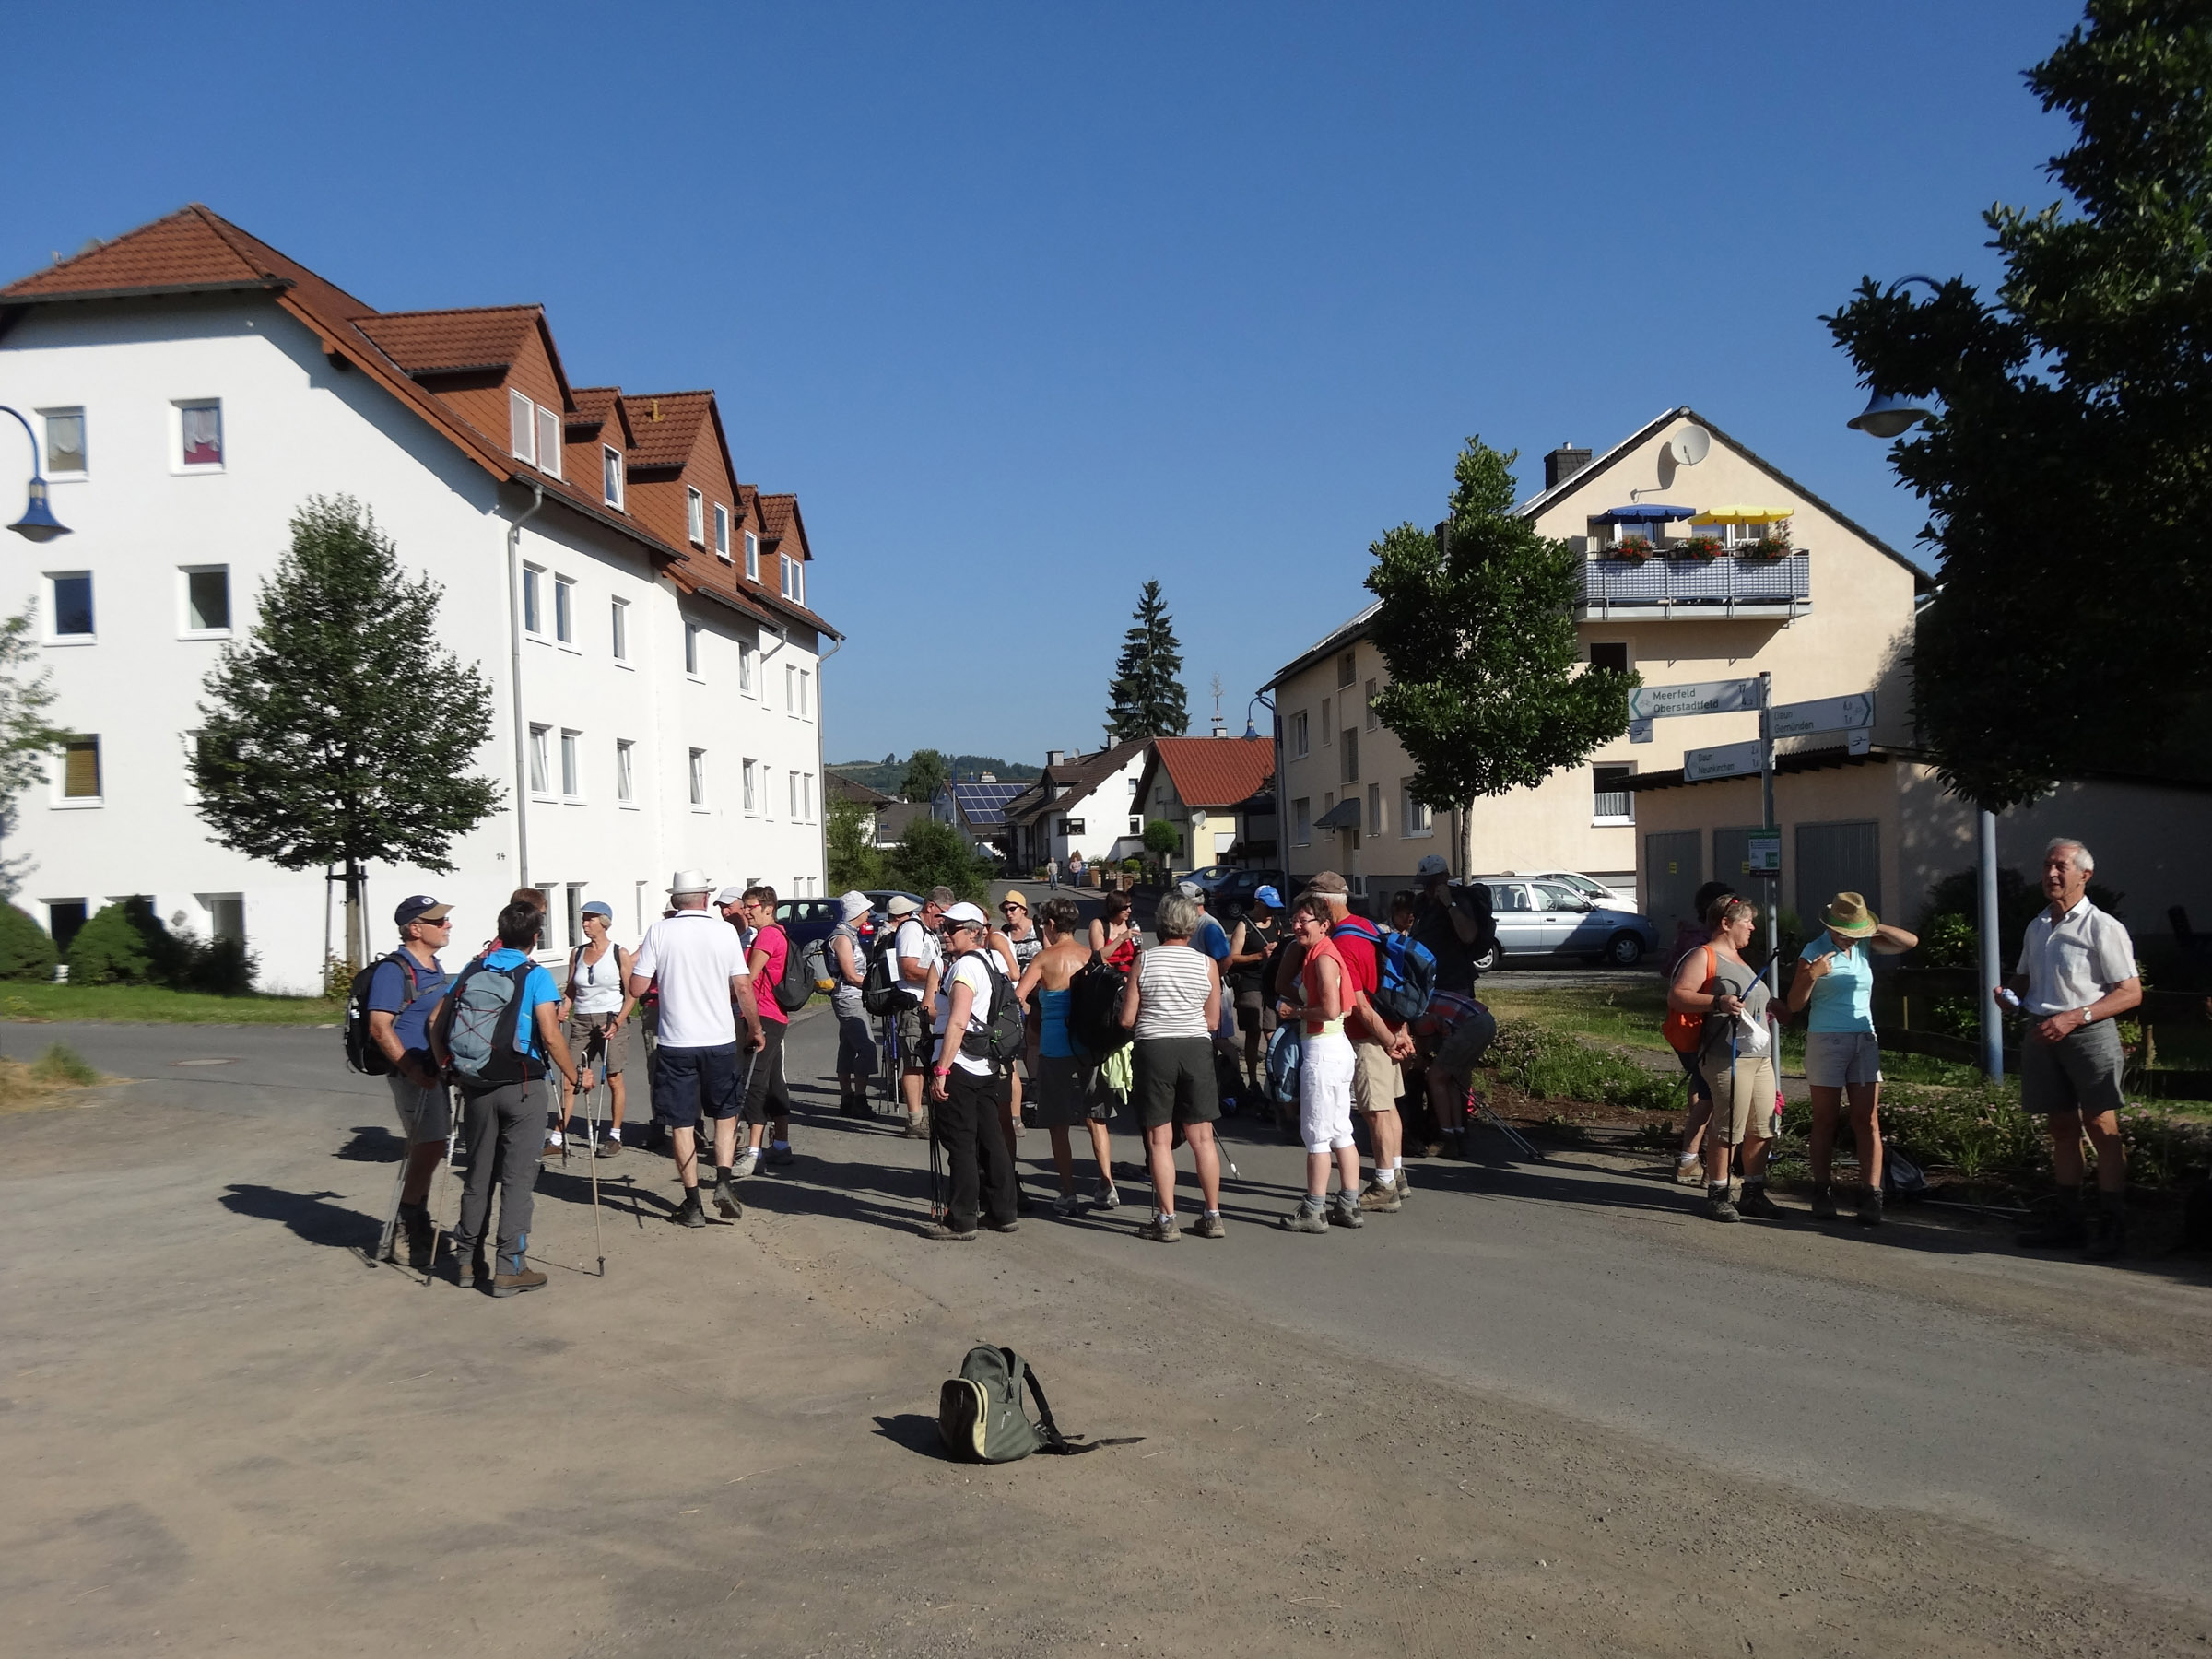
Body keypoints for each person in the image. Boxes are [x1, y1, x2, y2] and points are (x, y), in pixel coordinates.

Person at [2001, 839, 2142, 1259]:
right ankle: (2069, 1222)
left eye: (2060, 866)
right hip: (2043, 1032)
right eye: (2047, 865)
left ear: (2085, 875)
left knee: (2101, 1125)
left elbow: (2130, 993)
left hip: (2088, 1032)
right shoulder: (2038, 925)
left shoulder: (2103, 927)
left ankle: (2113, 1226)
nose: (2051, 874)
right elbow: (2025, 978)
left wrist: (2075, 1017)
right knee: (2061, 1128)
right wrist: (2009, 995)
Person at [430, 900, 580, 1297]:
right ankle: (509, 1267)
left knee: (478, 1176)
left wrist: (447, 1067)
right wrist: (574, 1075)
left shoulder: (472, 969)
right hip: (522, 1086)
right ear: (536, 937)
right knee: (517, 1179)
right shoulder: (536, 975)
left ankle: (467, 1261)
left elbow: (435, 1022)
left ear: (500, 932)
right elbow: (550, 1035)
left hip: (476, 1084)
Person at [627, 870, 765, 1227]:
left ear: (676, 900)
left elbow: (638, 988)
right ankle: (722, 1181)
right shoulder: (725, 932)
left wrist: (630, 966)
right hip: (719, 1039)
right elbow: (743, 987)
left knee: (683, 1123)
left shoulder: (659, 931)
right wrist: (755, 1028)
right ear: (705, 898)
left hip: (676, 1042)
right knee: (725, 1115)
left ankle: (692, 1204)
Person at [1788, 891, 1918, 1226]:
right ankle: (1821, 1191)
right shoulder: (1813, 951)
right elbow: (1795, 1004)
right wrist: (1812, 974)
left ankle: (1872, 1194)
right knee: (1825, 1120)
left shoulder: (1862, 945)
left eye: (1855, 930)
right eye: (1847, 930)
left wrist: (1871, 928)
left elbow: (1910, 942)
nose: (1852, 936)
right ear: (1832, 926)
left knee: (1867, 1119)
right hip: (1826, 1039)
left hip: (1864, 1039)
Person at [1117, 890, 1227, 1241]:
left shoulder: (1145, 961)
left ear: (1161, 923)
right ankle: (1212, 1214)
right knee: (1202, 1137)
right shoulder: (1207, 965)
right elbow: (1213, 1021)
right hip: (1195, 1047)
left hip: (1155, 1048)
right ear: (1191, 926)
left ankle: (1167, 1218)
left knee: (1159, 1138)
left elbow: (1127, 1018)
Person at [1311, 871, 1417, 1211]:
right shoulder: (1368, 927)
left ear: (1325, 904)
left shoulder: (1343, 943)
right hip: (1390, 1026)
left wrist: (1388, 1041)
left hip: (1370, 1037)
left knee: (1375, 1112)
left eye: (1313, 904)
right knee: (1389, 1108)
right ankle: (1396, 1175)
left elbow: (1360, 1004)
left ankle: (1384, 1184)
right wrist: (1400, 1031)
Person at [1669, 898, 1775, 1222]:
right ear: (1726, 924)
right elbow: (1678, 995)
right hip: (1726, 1056)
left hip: (1759, 1056)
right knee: (1729, 1128)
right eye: (1747, 921)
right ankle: (1718, 1193)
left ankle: (1753, 1192)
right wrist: (1718, 1002)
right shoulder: (1705, 955)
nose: (1753, 927)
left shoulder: (1740, 959)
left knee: (1763, 1127)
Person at [366, 895, 455, 1270]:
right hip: (414, 1073)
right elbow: (379, 1027)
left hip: (433, 1071)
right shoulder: (395, 970)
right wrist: (411, 1070)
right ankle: (405, 1230)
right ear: (415, 929)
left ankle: (418, 1222)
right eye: (438, 921)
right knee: (429, 1145)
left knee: (432, 1145)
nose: (447, 925)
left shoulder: (433, 966)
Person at [922, 901, 1020, 1240]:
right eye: (943, 927)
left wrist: (942, 1070)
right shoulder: (991, 961)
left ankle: (962, 1219)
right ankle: (1003, 1211)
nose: (944, 933)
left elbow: (959, 1021)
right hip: (985, 1062)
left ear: (972, 932)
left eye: (951, 928)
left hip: (960, 1063)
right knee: (991, 1138)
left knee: (961, 1141)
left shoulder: (964, 967)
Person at [1018, 896, 1119, 1213]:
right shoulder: (1091, 956)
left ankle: (1068, 1192)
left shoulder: (1043, 959)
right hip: (1089, 1045)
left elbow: (1018, 996)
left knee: (1058, 1123)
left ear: (1049, 924)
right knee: (1096, 1118)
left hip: (1055, 1046)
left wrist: (1038, 1008)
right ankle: (1106, 1185)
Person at [1277, 894, 1364, 1231]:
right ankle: (1348, 1204)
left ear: (1324, 925)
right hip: (1337, 1048)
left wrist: (1295, 1011)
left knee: (1315, 1133)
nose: (1297, 926)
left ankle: (1314, 1210)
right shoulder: (1326, 952)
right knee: (1341, 1129)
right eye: (1295, 921)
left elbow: (1330, 1009)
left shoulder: (1323, 958)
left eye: (1304, 921)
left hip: (1322, 1050)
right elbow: (1347, 1007)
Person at [1666, 880, 1738, 1185]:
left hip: (1689, 1030)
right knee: (1712, 1096)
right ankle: (1703, 1163)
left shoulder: (1689, 937)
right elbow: (1683, 989)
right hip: (1702, 1030)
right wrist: (1718, 1000)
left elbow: (1666, 970)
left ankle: (1691, 1159)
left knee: (1703, 1091)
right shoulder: (1706, 947)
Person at [554, 900, 634, 1158]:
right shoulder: (577, 953)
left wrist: (618, 1022)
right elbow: (571, 988)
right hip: (581, 1020)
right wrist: (563, 1008)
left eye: (591, 919)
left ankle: (615, 1135)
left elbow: (632, 994)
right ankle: (557, 1137)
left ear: (604, 922)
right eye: (584, 919)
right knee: (570, 1077)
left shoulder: (619, 953)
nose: (585, 923)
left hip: (610, 1018)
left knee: (613, 1077)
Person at [734, 886, 796, 1174]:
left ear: (768, 908)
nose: (746, 911)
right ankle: (780, 1146)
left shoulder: (768, 935)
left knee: (753, 1081)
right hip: (773, 1016)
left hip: (764, 1016)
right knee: (772, 1082)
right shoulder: (776, 933)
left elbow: (748, 978)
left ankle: (754, 1152)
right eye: (745, 906)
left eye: (751, 906)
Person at [1412, 982, 1497, 1158]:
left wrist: (1417, 1069)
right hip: (1485, 1019)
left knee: (1435, 1077)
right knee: (1452, 1079)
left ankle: (1446, 1137)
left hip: (1471, 1024)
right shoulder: (1423, 996)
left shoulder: (1415, 1010)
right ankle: (1459, 1132)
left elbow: (1424, 1047)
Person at [894, 889, 949, 1137]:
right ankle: (915, 1120)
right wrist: (942, 974)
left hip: (928, 1004)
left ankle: (924, 1117)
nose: (944, 920)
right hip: (912, 1004)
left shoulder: (929, 932)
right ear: (930, 906)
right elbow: (908, 969)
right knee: (914, 1062)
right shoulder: (911, 929)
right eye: (942, 913)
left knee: (926, 1060)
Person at [1226, 886, 1283, 1093]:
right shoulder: (1244, 925)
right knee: (1253, 1032)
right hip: (1249, 983)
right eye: (1268, 907)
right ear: (1257, 904)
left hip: (1270, 983)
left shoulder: (1276, 922)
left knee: (1272, 1032)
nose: (1272, 911)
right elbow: (1232, 957)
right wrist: (1259, 955)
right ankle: (1253, 1081)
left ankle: (1275, 1077)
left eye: (1275, 907)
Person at [1408, 853, 1492, 994]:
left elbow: (1468, 936)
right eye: (1424, 884)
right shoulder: (1422, 902)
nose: (1427, 888)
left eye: (1431, 882)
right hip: (1427, 979)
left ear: (1444, 877)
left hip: (1455, 980)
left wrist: (1449, 903)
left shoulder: (1460, 900)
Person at [829, 890, 877, 1117]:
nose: (869, 913)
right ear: (857, 912)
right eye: (866, 909)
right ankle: (859, 1099)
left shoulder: (849, 934)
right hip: (848, 998)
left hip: (851, 997)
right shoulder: (843, 938)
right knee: (866, 1048)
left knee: (848, 1047)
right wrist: (874, 985)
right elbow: (850, 975)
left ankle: (847, 1099)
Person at [1089, 888, 1138, 971]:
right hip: (1108, 972)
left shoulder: (1130, 924)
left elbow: (1136, 952)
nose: (1129, 910)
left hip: (1130, 971)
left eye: (1130, 907)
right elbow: (1098, 957)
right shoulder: (1099, 924)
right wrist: (1121, 938)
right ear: (1115, 908)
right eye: (1125, 908)